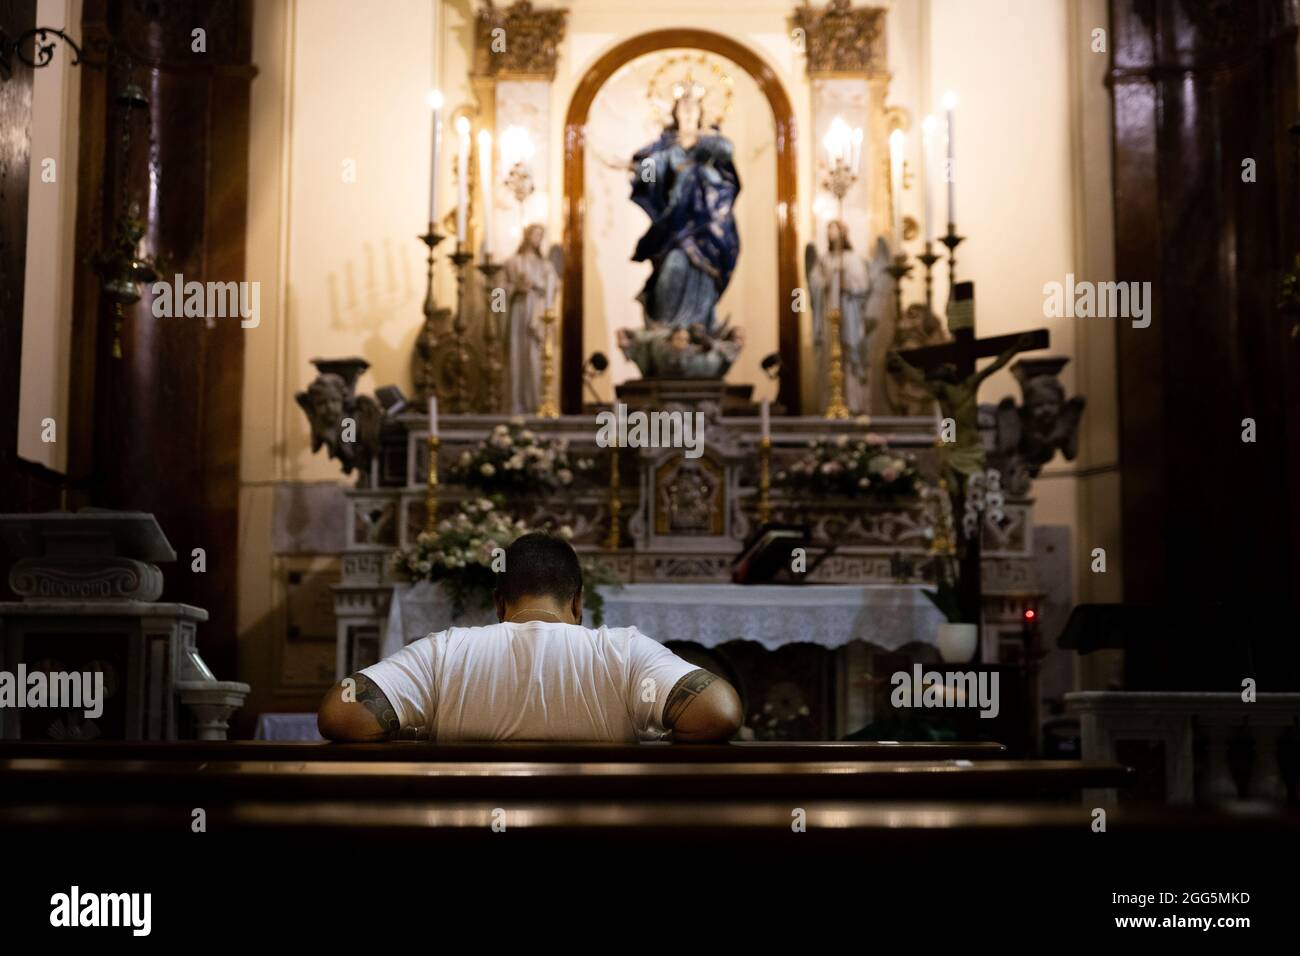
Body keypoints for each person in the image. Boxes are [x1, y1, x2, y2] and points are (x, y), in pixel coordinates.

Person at [317, 532, 743, 743]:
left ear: (500, 603)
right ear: (577, 602)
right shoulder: (624, 653)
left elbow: (341, 714)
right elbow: (718, 713)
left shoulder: (445, 653)